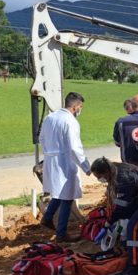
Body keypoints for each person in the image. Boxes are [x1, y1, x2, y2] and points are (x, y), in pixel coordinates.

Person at [39, 92, 91, 242]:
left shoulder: (49, 117)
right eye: (80, 107)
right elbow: (75, 148)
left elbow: (42, 138)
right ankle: (61, 233)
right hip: (64, 162)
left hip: (51, 159)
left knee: (58, 193)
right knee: (67, 198)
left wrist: (49, 152)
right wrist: (86, 166)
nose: (80, 110)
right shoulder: (71, 121)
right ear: (75, 107)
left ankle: (48, 217)